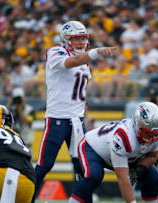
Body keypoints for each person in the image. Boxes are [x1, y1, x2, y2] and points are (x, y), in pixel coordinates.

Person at [33, 20, 117, 201]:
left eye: (83, 38)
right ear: (66, 39)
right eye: (76, 39)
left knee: (82, 166)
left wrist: (85, 115)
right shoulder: (56, 52)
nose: (81, 42)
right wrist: (97, 52)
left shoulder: (86, 62)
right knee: (44, 165)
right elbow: (73, 61)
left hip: (77, 121)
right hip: (57, 119)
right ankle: (26, 198)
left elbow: (80, 94)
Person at [69, 101, 158, 203]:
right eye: (147, 133)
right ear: (136, 124)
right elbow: (122, 178)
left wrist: (138, 170)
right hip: (92, 148)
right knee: (94, 175)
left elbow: (152, 156)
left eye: (155, 134)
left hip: (123, 155)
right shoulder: (124, 137)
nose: (151, 139)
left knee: (152, 174)